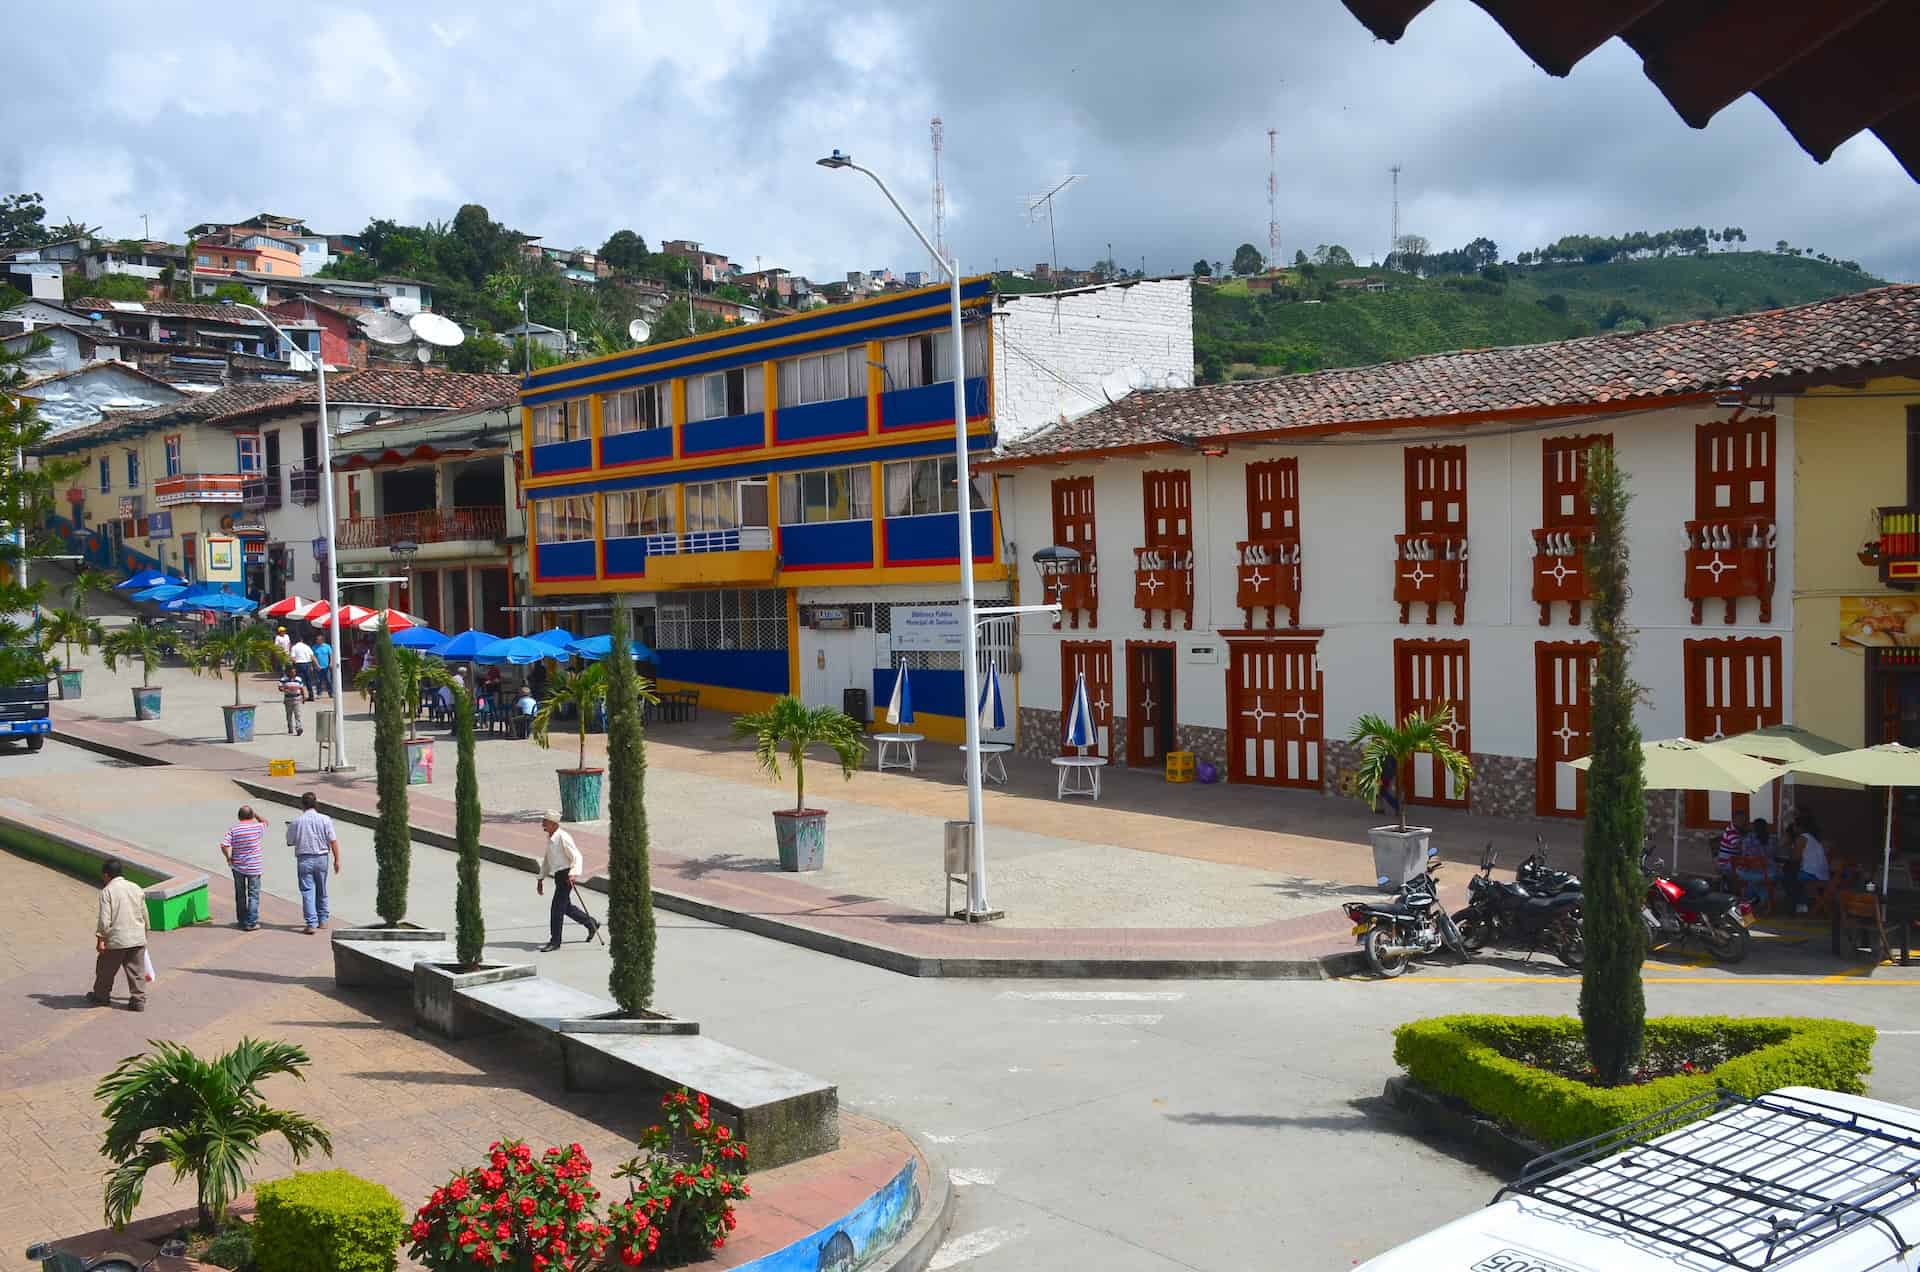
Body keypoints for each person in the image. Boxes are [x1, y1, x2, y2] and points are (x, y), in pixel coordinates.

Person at [90, 858, 149, 1011]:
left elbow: (104, 919)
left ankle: (101, 996)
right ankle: (138, 1000)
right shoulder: (136, 887)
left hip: (117, 939)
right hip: (137, 937)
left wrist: (100, 939)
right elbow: (144, 913)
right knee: (136, 971)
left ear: (106, 875)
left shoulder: (107, 892)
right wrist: (145, 932)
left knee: (105, 970)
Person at [537, 811, 598, 952]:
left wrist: (573, 874)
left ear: (553, 824)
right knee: (566, 907)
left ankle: (555, 941)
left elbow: (577, 856)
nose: (543, 825)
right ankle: (591, 923)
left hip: (566, 875)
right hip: (559, 876)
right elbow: (547, 859)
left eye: (545, 822)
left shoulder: (563, 837)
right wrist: (540, 878)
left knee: (556, 909)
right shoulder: (551, 837)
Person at [286, 791, 341, 934]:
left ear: (302, 804)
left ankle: (311, 923)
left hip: (304, 859)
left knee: (307, 891)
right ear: (316, 803)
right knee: (321, 889)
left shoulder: (296, 821)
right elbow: (333, 840)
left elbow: (290, 841)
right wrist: (337, 860)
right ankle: (323, 920)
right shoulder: (325, 819)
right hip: (322, 857)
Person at [220, 805, 268, 931]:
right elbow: (265, 822)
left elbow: (224, 845)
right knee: (253, 894)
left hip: (238, 867)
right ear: (251, 816)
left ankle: (242, 920)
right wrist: (256, 814)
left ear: (238, 816)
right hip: (254, 867)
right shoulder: (257, 827)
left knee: (240, 894)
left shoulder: (234, 829)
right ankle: (251, 922)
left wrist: (228, 857)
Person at [1787, 812, 1831, 915]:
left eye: (1794, 825)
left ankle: (1800, 907)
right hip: (1821, 873)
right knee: (1792, 877)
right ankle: (1802, 905)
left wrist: (1790, 850)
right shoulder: (1812, 838)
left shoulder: (1802, 838)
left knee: (1789, 878)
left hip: (1812, 873)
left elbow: (1795, 858)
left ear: (1799, 827)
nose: (1793, 827)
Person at [1717, 810, 1752, 878]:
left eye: (1744, 820)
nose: (1742, 822)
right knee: (1748, 871)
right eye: (1740, 820)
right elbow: (1740, 847)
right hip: (1726, 864)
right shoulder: (1731, 831)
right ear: (1734, 820)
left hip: (1734, 860)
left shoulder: (1738, 829)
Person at [279, 665, 305, 736]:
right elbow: (280, 688)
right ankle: (290, 727)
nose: (293, 673)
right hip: (288, 699)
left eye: (294, 672)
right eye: (291, 672)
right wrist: (286, 689)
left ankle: (298, 728)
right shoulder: (283, 679)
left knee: (297, 714)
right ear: (288, 672)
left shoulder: (299, 679)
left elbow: (302, 688)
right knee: (289, 714)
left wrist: (304, 697)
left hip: (297, 698)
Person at [289, 634, 316, 700]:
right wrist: (315, 665)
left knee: (299, 680)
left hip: (299, 664)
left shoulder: (294, 647)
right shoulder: (307, 647)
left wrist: (294, 665)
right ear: (302, 640)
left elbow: (292, 658)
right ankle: (311, 695)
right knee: (308, 681)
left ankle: (300, 695)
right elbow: (312, 656)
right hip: (307, 664)